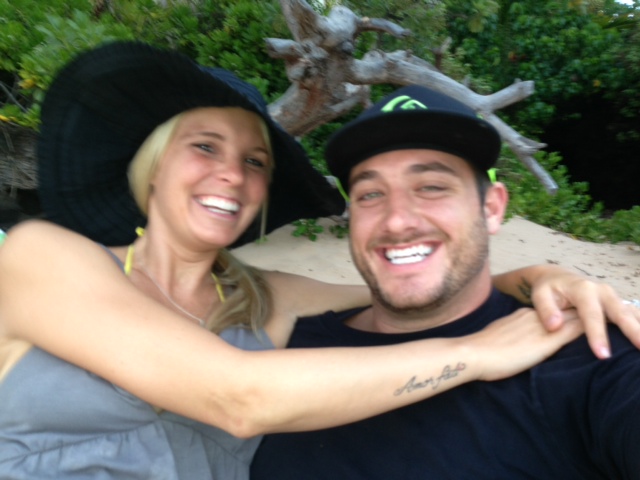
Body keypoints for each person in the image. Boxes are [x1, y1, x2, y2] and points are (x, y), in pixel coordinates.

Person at [0, 42, 633, 480]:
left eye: (254, 161)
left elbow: (407, 285)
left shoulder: (266, 298)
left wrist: (541, 277)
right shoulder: (46, 256)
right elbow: (238, 398)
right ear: (154, 164)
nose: (232, 174)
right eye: (205, 147)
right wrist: (476, 354)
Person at [250, 84, 640, 479]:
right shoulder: (286, 348)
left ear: (492, 208)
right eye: (370, 194)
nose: (397, 221)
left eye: (432, 187)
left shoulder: (590, 354)